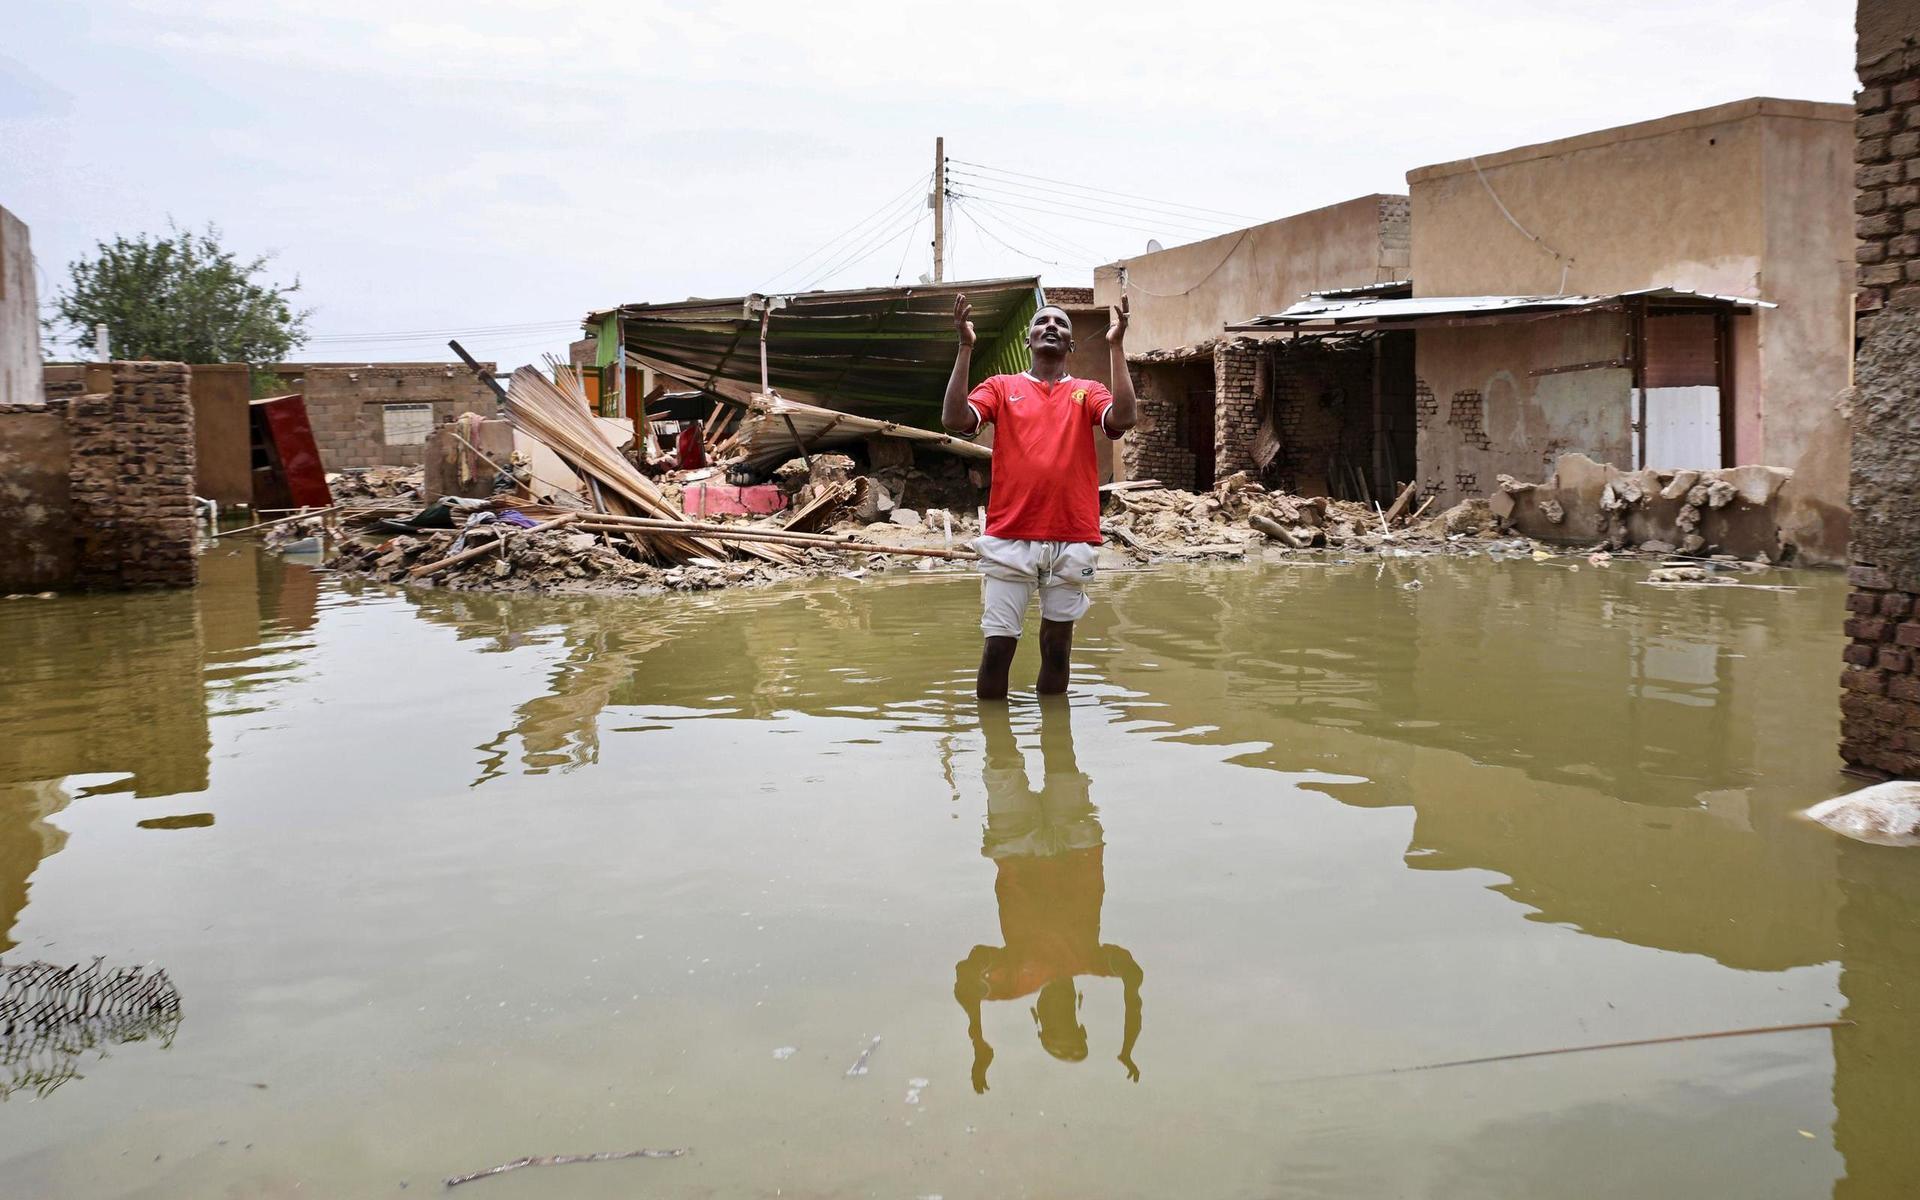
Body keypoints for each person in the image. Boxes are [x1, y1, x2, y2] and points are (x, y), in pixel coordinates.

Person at [942, 294, 1137, 699]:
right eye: (1042, 322)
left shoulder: (1088, 391)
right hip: (1010, 536)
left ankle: (1058, 757)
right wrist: (965, 346)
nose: (1051, 326)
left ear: (1071, 344)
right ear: (1029, 340)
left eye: (1060, 324)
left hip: (1073, 537)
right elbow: (955, 419)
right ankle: (999, 761)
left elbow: (1124, 418)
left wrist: (1116, 346)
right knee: (998, 649)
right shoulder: (1001, 386)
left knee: (1058, 651)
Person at [952, 699, 1143, 1092]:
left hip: (1069, 847)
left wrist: (1129, 1042)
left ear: (1077, 1012)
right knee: (1005, 756)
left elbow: (1133, 974)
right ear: (1041, 1017)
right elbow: (965, 975)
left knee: (1059, 752)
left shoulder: (1083, 964)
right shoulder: (1021, 979)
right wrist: (977, 1038)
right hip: (1024, 848)